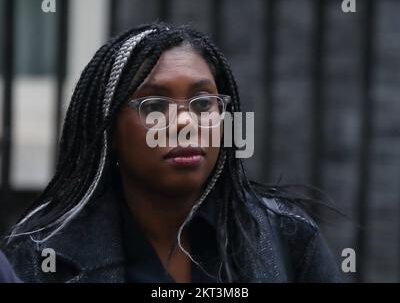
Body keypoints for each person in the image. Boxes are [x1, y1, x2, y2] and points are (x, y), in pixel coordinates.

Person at [2, 22, 341, 283]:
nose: (184, 121)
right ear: (111, 131)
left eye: (204, 102)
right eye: (154, 105)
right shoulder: (41, 255)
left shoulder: (287, 236)